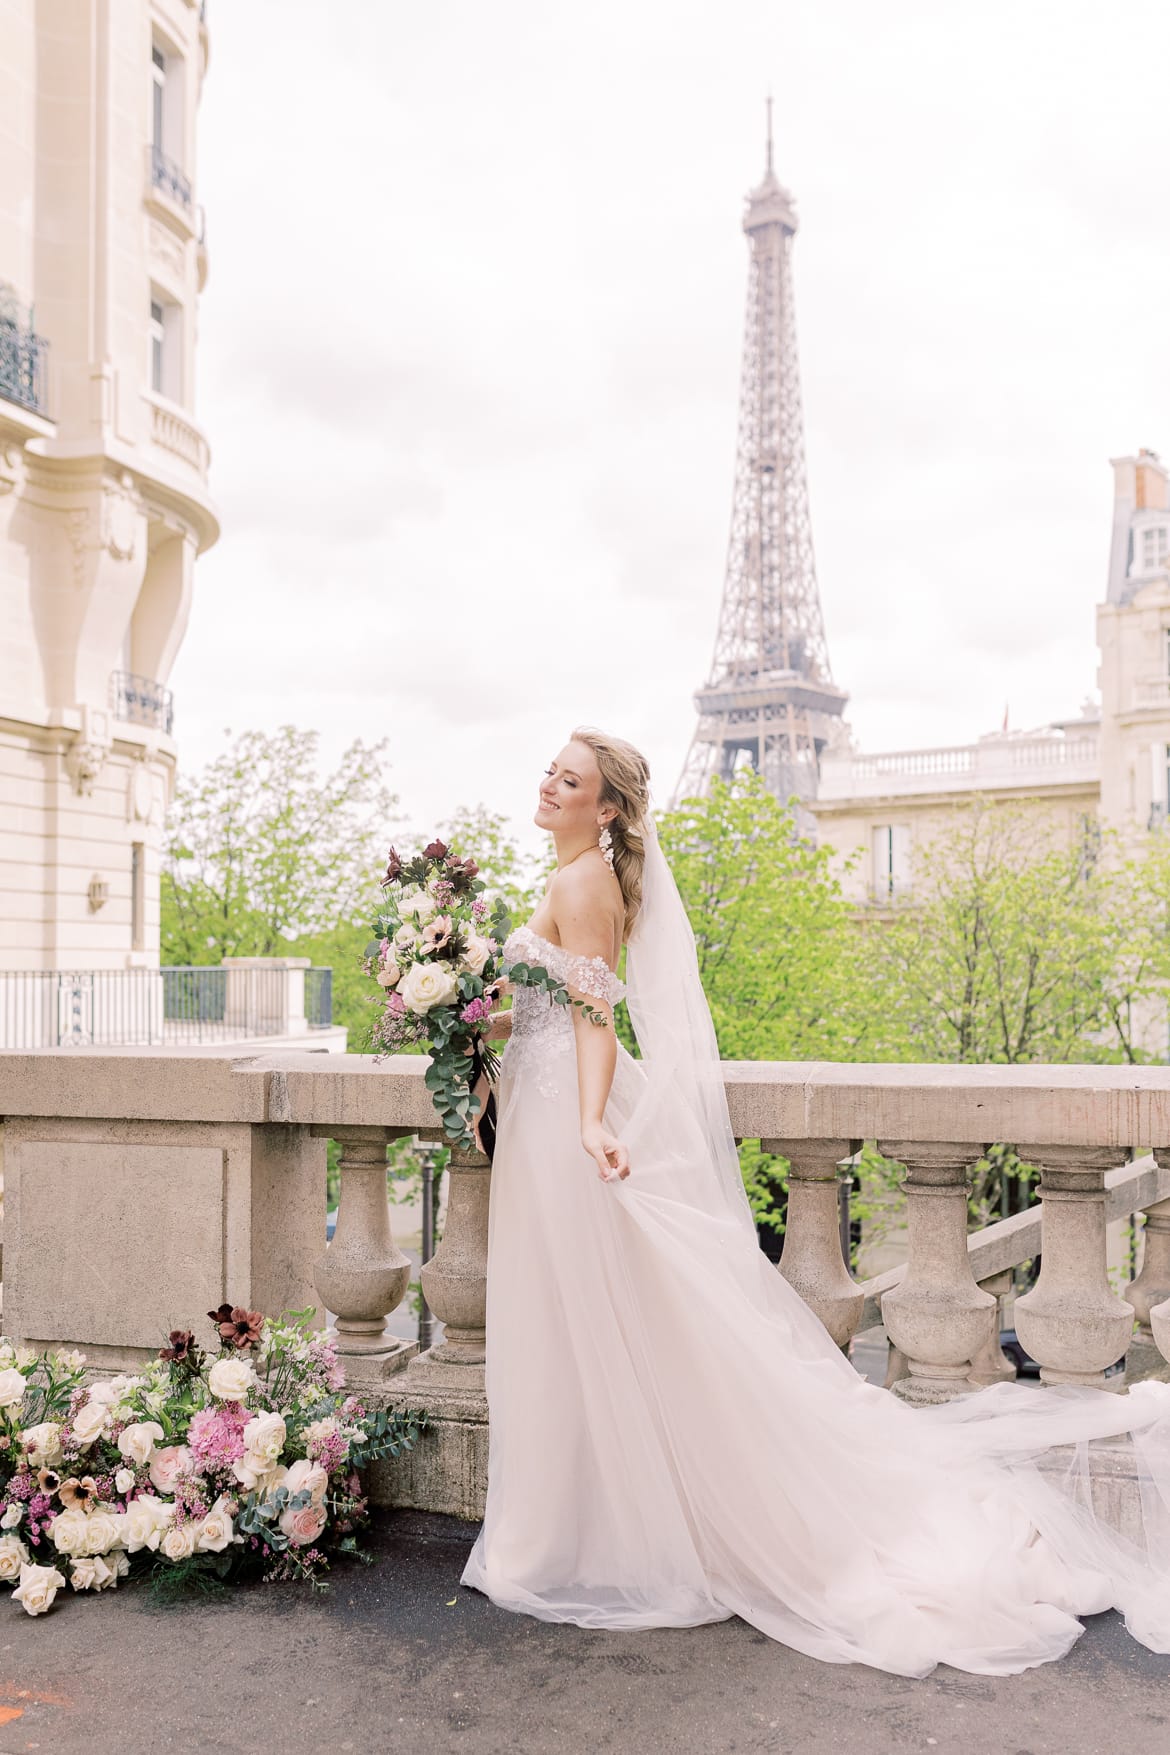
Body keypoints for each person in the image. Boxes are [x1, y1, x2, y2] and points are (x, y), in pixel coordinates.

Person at [459, 727, 1170, 1677]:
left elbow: (596, 1014)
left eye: (572, 779)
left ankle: (562, 1535)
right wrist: (463, 1012)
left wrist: (590, 1121)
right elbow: (554, 999)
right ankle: (564, 1527)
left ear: (612, 808)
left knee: (578, 1319)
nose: (549, 784)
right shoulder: (575, 874)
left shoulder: (582, 880)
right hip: (543, 1109)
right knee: (578, 1320)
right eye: (550, 768)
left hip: (565, 1122)